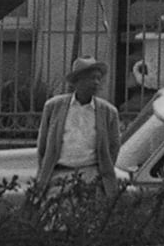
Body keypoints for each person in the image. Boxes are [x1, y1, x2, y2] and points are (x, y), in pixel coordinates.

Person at [35, 57, 128, 193]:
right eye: (91, 78)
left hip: (91, 175)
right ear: (77, 81)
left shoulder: (108, 112)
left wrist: (101, 173)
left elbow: (114, 146)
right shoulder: (54, 107)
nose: (96, 83)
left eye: (98, 78)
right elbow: (42, 145)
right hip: (59, 174)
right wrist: (45, 172)